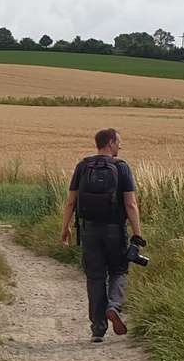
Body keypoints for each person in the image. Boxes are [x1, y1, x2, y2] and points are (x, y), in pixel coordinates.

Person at [59, 128, 144, 342]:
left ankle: (98, 329)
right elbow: (131, 204)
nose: (120, 146)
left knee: (95, 277)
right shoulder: (122, 167)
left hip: (89, 230)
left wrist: (65, 227)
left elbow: (71, 201)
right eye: (118, 142)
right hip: (115, 230)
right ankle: (113, 306)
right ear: (110, 142)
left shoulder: (83, 166)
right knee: (119, 270)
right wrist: (137, 234)